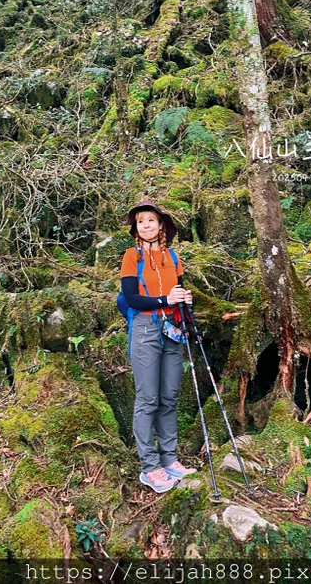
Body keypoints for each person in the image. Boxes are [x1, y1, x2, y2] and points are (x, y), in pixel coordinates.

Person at [121, 199, 198, 493]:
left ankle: (169, 460)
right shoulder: (132, 256)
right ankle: (149, 467)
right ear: (136, 229)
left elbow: (176, 290)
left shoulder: (173, 257)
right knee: (148, 398)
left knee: (170, 396)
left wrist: (184, 300)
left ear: (161, 224)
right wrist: (165, 300)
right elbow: (131, 298)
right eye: (141, 222)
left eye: (150, 220)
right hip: (145, 328)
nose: (146, 225)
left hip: (172, 328)